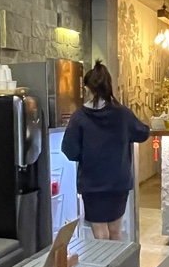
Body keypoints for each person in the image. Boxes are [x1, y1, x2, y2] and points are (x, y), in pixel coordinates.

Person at [62, 61, 150, 240]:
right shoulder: (122, 113)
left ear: (87, 89)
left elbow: (69, 150)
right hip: (118, 182)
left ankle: (104, 259)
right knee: (115, 231)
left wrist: (86, 154)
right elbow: (143, 133)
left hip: (92, 184)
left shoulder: (79, 117)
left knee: (100, 232)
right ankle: (117, 260)